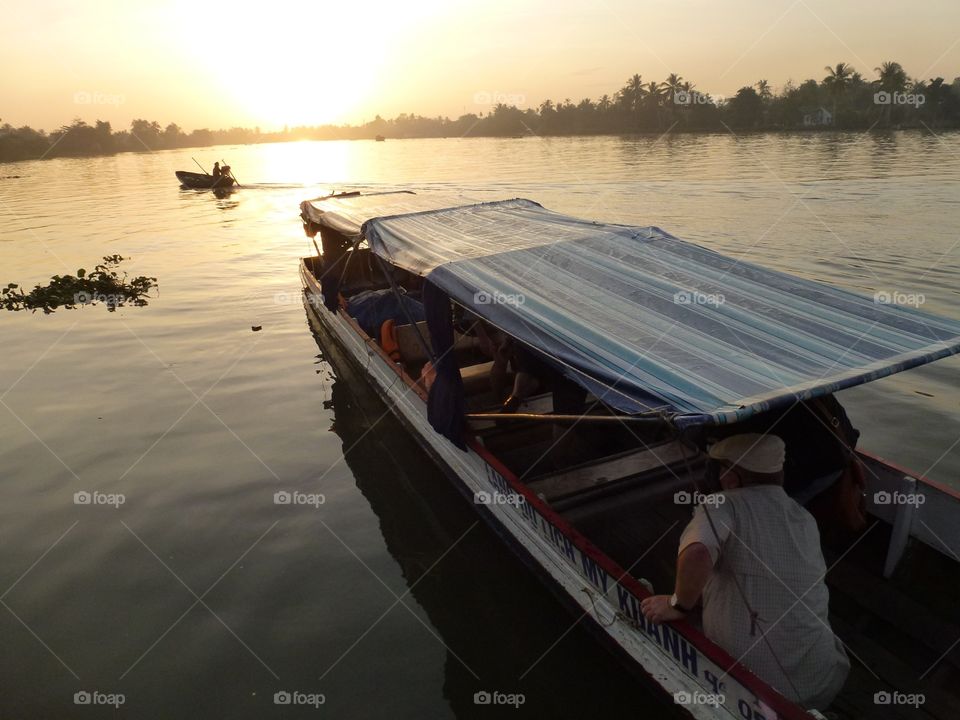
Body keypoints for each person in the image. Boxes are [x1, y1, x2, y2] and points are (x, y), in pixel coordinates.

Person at [640, 433, 849, 710]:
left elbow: (699, 552)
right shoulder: (803, 518)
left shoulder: (722, 504)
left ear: (731, 476)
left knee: (667, 607)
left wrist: (677, 604)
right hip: (820, 684)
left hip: (754, 695)